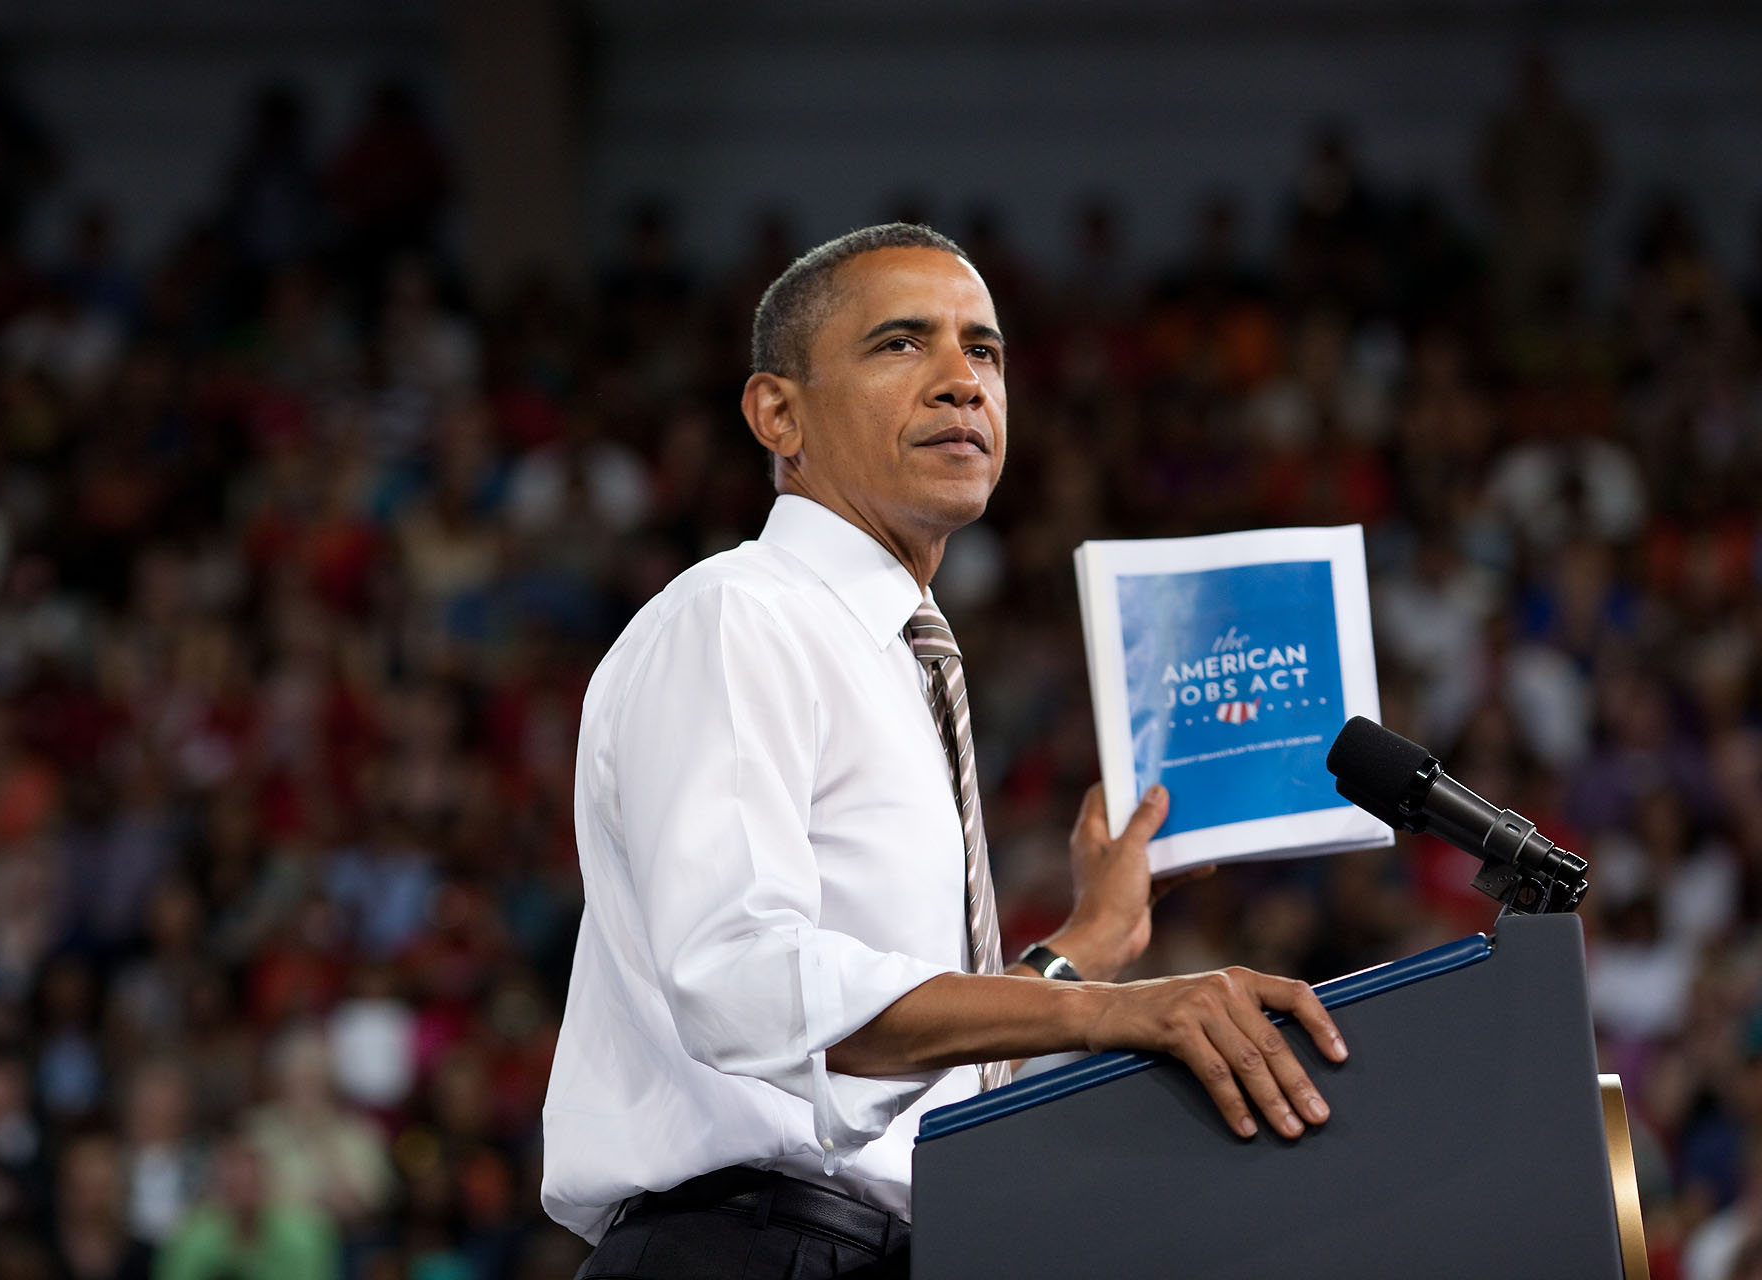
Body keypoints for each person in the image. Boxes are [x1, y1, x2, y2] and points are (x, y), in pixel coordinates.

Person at [541, 223, 1348, 1278]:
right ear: (776, 412)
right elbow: (744, 979)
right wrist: (1108, 1010)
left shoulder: (899, 658)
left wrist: (1084, 948)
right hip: (744, 1249)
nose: (961, 381)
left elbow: (904, 1071)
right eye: (901, 344)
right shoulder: (739, 614)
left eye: (986, 350)